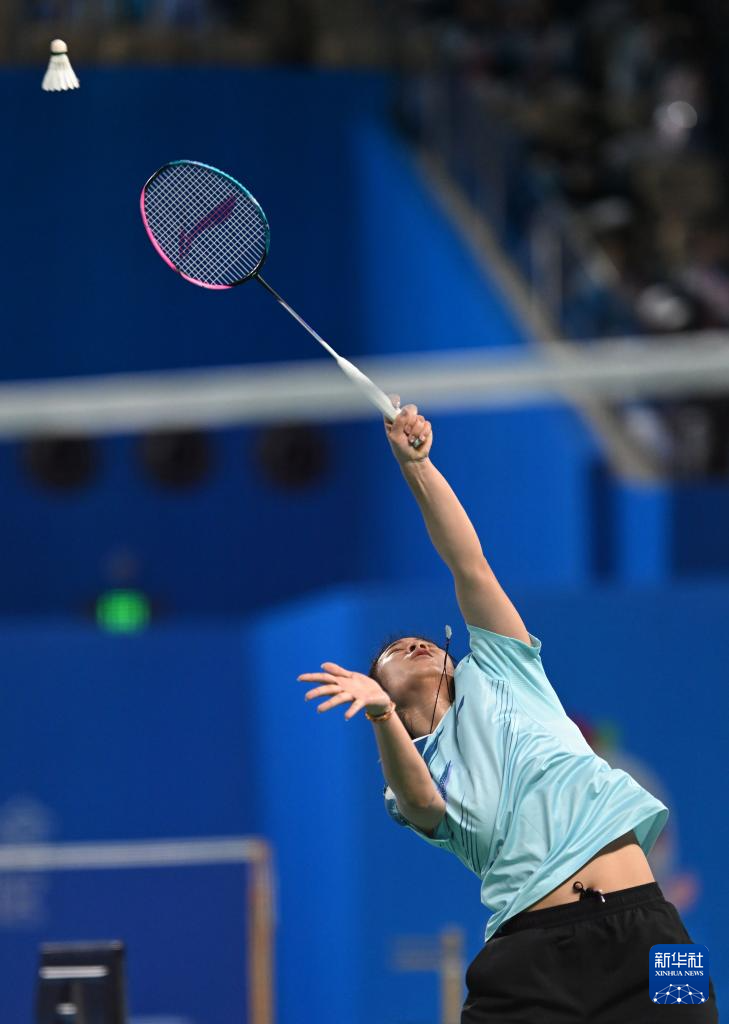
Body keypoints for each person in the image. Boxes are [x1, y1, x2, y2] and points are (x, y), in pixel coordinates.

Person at [297, 400, 719, 1022]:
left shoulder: (500, 667)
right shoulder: (412, 769)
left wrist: (417, 466)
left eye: (420, 641)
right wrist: (383, 717)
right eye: (393, 654)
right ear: (384, 693)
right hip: (530, 954)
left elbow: (467, 562)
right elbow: (422, 804)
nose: (412, 646)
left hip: (649, 922)